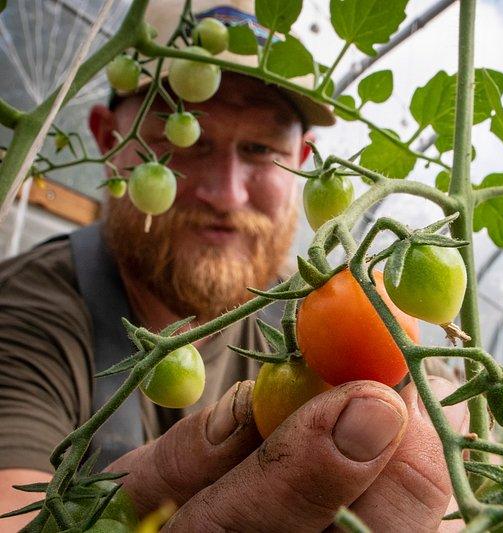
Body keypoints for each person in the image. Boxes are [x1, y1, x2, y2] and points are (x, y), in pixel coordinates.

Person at [0, 1, 466, 530]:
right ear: (110, 140)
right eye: (185, 141)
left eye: (260, 148)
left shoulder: (320, 311)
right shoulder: (28, 312)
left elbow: (438, 402)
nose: (227, 193)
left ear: (304, 161)